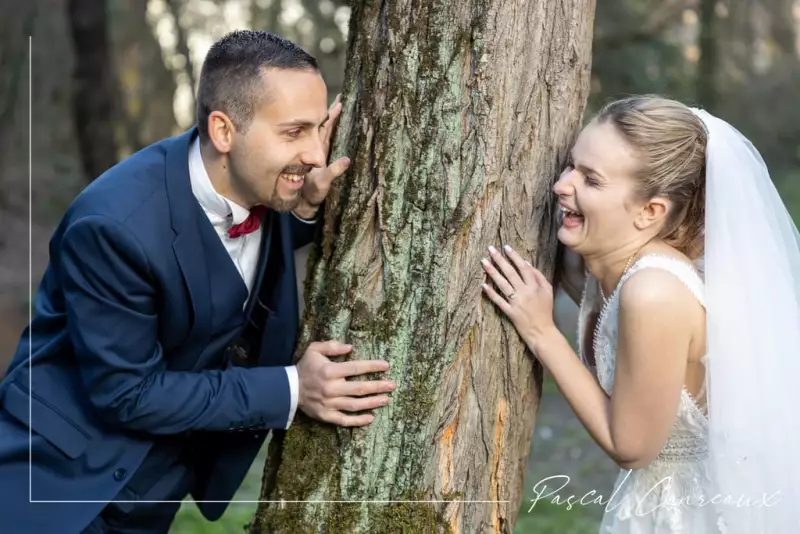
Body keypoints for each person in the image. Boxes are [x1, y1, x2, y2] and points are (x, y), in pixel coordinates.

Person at [0, 30, 397, 534]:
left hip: (156, 492)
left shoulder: (259, 184)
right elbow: (128, 394)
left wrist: (308, 208)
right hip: (56, 487)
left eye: (320, 130)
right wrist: (293, 387)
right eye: (294, 132)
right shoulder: (113, 228)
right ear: (224, 131)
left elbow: (226, 261)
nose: (318, 155)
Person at [481, 95, 800, 533]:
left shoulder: (654, 293)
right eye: (571, 165)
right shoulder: (604, 264)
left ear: (650, 212)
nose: (561, 185)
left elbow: (631, 447)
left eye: (591, 180)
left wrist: (542, 332)